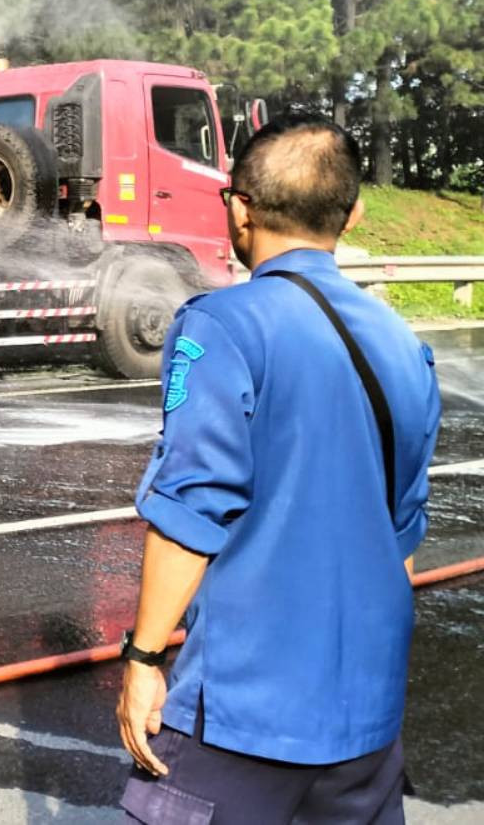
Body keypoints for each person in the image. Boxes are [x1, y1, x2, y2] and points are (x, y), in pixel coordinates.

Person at [116, 118, 438, 822]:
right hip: (367, 718)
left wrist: (142, 659)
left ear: (238, 208)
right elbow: (401, 538)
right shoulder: (405, 344)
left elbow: (191, 509)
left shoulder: (223, 326)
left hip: (245, 707)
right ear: (353, 213)